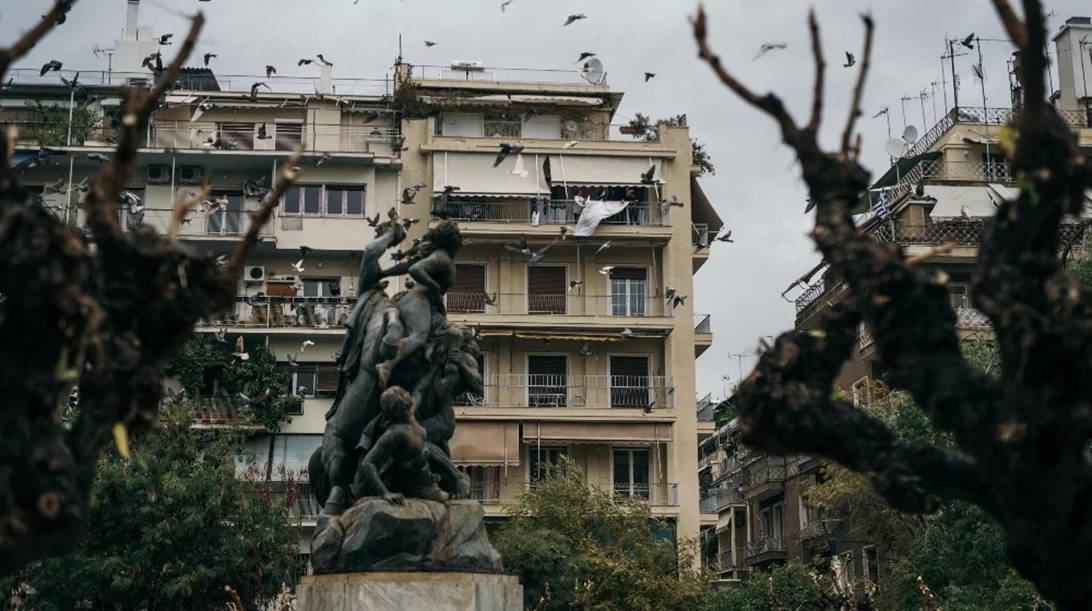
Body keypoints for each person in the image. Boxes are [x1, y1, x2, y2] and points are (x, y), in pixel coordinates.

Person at [375, 220, 464, 388]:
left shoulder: (437, 255)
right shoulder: (441, 257)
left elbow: (410, 265)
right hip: (419, 300)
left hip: (422, 302)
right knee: (418, 337)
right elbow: (415, 270)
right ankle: (387, 365)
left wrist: (382, 274)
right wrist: (435, 288)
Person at [353, 386, 449, 504]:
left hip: (427, 482)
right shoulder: (395, 433)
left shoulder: (411, 417)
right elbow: (367, 463)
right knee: (447, 496)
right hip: (415, 489)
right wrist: (385, 493)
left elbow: (419, 390)